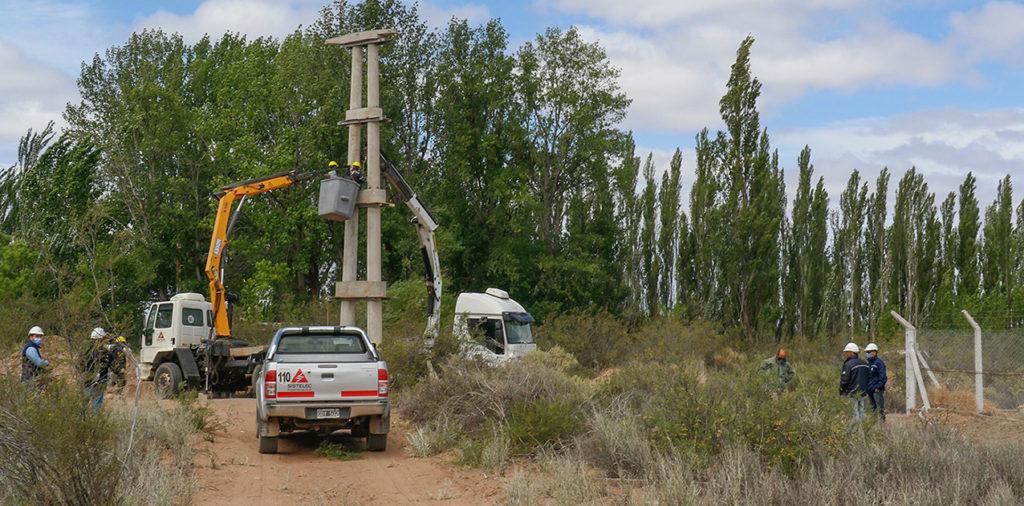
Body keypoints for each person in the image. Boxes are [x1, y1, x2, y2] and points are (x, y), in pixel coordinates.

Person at [82, 327, 113, 410]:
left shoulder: (86, 351)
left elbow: (80, 364)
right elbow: (108, 365)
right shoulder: (104, 351)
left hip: (86, 381)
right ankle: (93, 421)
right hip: (99, 382)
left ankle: (80, 420)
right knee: (96, 405)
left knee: (83, 404)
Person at [839, 342, 870, 421]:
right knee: (861, 410)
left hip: (852, 391)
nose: (846, 354)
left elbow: (845, 379)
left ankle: (856, 430)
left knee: (854, 411)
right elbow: (868, 377)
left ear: (851, 352)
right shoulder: (864, 363)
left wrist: (842, 388)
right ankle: (863, 428)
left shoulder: (848, 364)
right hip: (863, 391)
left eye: (847, 352)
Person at [865, 342, 887, 422]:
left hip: (877, 390)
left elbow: (883, 378)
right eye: (867, 352)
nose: (867, 354)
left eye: (869, 352)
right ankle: (873, 425)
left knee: (880, 409)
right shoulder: (869, 364)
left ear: (874, 352)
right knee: (872, 409)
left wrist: (878, 387)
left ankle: (882, 425)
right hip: (870, 390)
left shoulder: (879, 363)